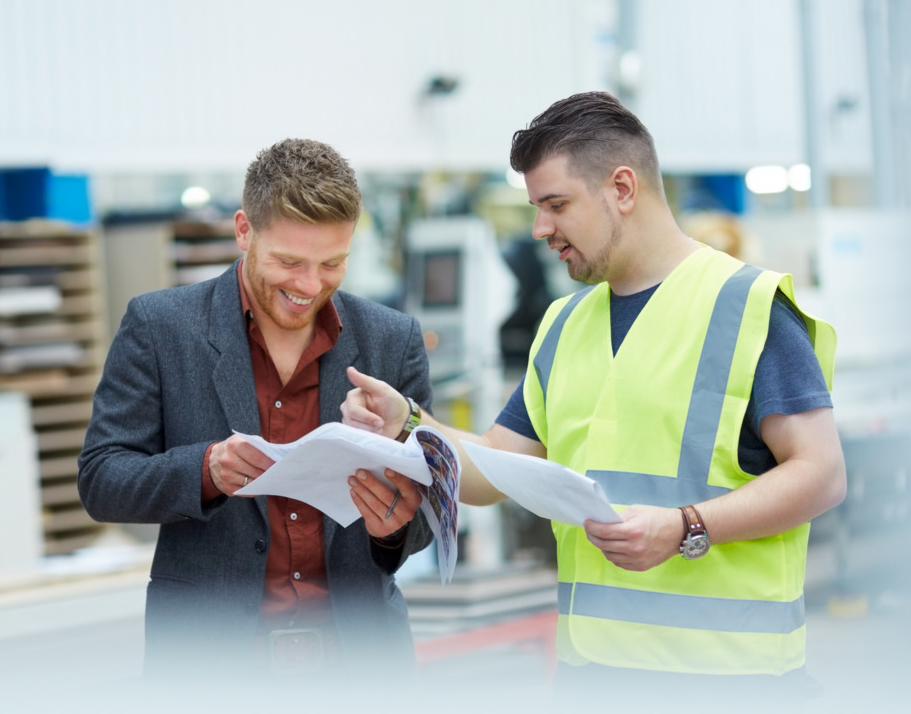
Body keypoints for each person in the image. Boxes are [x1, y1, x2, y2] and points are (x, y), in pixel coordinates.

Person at [341, 92, 845, 699]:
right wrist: (408, 424)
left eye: (556, 204)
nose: (540, 229)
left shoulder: (748, 307)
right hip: (593, 680)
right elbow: (492, 472)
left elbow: (821, 473)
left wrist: (687, 526)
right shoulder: (563, 325)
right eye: (536, 207)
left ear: (623, 189)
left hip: (730, 680)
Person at [78, 138, 433, 684]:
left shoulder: (392, 340)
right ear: (244, 230)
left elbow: (427, 518)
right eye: (289, 262)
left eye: (332, 263)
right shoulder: (160, 328)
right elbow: (101, 478)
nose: (310, 286)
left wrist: (392, 526)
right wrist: (204, 470)